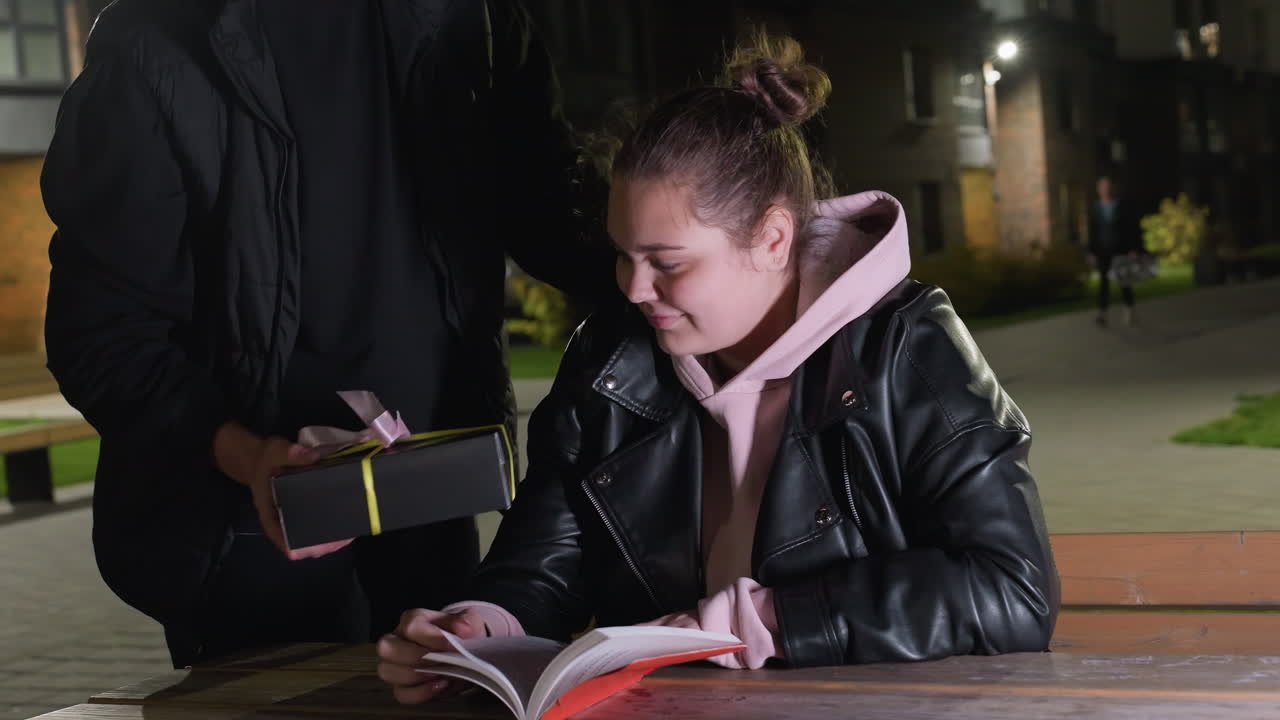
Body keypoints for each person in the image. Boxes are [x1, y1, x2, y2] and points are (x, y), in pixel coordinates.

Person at [375, 34, 1059, 700]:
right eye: (624, 255)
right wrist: (478, 631)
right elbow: (544, 566)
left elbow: (1012, 589)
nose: (634, 288)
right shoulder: (610, 358)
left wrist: (756, 622)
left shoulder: (907, 349)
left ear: (772, 238)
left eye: (666, 262)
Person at [41, 0, 611, 668]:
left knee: (433, 697)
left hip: (432, 494)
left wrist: (712, 207)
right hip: (254, 525)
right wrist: (250, 457)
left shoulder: (475, 16)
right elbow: (102, 333)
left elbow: (558, 218)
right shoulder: (158, 40)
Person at [1087, 174, 1146, 326]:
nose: (1105, 190)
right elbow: (1092, 231)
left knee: (1124, 281)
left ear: (1112, 188)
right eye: (1102, 187)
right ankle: (1102, 313)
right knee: (1103, 282)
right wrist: (1091, 252)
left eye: (1108, 187)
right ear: (1098, 189)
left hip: (1120, 249)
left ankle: (1129, 308)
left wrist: (1134, 249)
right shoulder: (1095, 208)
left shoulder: (1122, 206)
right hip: (1103, 250)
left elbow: (1131, 228)